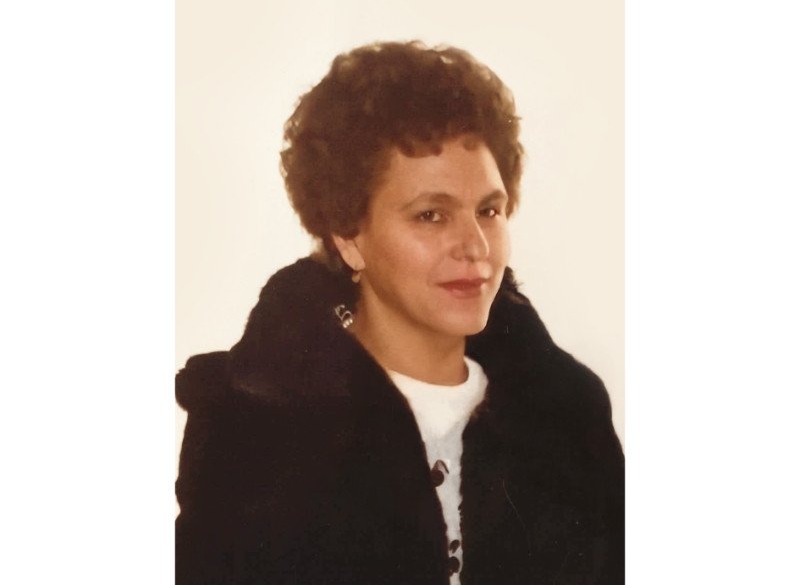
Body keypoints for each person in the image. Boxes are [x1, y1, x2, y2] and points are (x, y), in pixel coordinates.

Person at [175, 41, 624, 585]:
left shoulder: (570, 419)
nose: (476, 246)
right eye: (431, 215)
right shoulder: (252, 428)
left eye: (489, 210)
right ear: (348, 237)